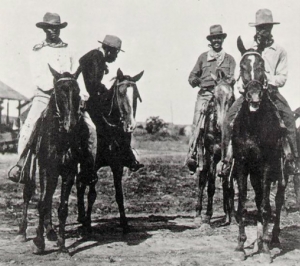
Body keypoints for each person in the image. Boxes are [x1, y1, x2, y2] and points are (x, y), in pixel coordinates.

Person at [8, 12, 98, 185]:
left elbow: (75, 74)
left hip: (69, 97)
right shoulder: (37, 51)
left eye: (56, 28)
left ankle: (88, 170)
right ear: (44, 29)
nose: (53, 31)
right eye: (49, 27)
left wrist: (82, 94)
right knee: (29, 126)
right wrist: (56, 89)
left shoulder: (69, 49)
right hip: (45, 96)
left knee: (90, 128)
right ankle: (22, 167)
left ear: (60, 28)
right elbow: (38, 77)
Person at [220, 9, 300, 177]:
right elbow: (239, 75)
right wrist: (246, 89)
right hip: (249, 94)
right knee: (228, 119)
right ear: (256, 29)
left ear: (271, 28)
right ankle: (225, 161)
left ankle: (293, 160)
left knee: (289, 120)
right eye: (260, 27)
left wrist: (268, 82)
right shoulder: (248, 50)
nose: (263, 31)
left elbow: (282, 77)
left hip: (271, 93)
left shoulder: (279, 51)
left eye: (267, 27)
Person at [78, 35, 144, 172]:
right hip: (86, 101)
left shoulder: (97, 57)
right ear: (109, 51)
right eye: (116, 53)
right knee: (100, 129)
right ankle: (90, 166)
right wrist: (105, 91)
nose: (116, 57)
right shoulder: (96, 57)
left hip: (90, 98)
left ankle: (127, 155)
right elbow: (93, 85)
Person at [186, 25, 236, 174]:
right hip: (207, 94)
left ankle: (237, 156)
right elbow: (192, 76)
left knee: (236, 119)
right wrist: (197, 81)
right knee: (198, 122)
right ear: (210, 39)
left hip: (224, 94)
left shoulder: (230, 59)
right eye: (214, 38)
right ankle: (192, 154)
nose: (216, 40)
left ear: (222, 39)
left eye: (219, 38)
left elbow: (232, 77)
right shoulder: (203, 58)